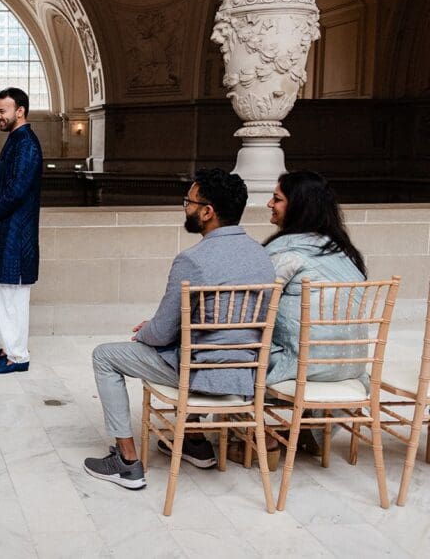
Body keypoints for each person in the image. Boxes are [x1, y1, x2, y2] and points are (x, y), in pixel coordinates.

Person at [83, 169, 276, 490]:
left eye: (189, 201)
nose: (184, 207)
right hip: (245, 375)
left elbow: (161, 333)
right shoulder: (262, 256)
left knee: (105, 356)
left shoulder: (192, 260)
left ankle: (126, 461)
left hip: (201, 373)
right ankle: (193, 442)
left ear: (207, 212)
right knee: (191, 340)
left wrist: (145, 331)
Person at [264, 171, 368, 386]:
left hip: (304, 366)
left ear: (298, 207)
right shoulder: (343, 252)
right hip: (351, 364)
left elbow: (254, 303)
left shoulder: (287, 253)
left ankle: (224, 408)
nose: (269, 204)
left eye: (277, 199)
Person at [0, 87, 43, 374]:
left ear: (20, 111)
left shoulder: (26, 143)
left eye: (2, 111)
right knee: (3, 292)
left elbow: (16, 190)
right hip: (8, 232)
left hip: (17, 235)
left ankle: (17, 357)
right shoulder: (17, 140)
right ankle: (7, 347)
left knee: (12, 296)